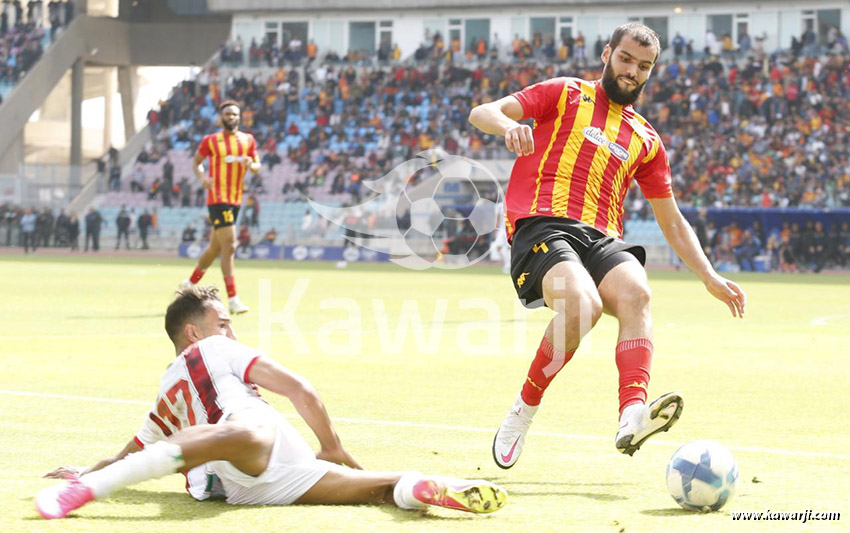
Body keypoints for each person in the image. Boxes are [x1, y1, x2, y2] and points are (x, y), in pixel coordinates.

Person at [468, 23, 747, 468]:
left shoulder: (647, 139)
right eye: (626, 59)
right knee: (583, 305)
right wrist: (507, 126)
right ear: (607, 54)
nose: (632, 72)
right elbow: (483, 111)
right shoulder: (564, 93)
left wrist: (709, 276)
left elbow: (671, 219)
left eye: (643, 66)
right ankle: (523, 410)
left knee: (638, 293)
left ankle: (632, 414)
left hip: (600, 238)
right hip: (542, 226)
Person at [35, 287, 508, 519]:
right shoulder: (211, 348)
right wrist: (332, 445)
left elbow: (130, 451)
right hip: (269, 457)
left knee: (239, 438)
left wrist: (89, 471)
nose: (231, 331)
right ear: (193, 333)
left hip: (240, 484)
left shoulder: (164, 393)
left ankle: (86, 492)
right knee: (368, 483)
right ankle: (417, 484)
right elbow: (300, 388)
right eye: (222, 322)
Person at [180, 101, 260, 315]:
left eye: (234, 114)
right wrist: (202, 177)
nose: (231, 117)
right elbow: (196, 162)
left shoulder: (248, 140)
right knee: (231, 246)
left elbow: (256, 166)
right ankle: (233, 298)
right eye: (227, 114)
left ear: (239, 117)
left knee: (216, 248)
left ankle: (189, 284)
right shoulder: (211, 141)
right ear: (221, 118)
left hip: (235, 199)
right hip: (218, 198)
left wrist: (250, 165)